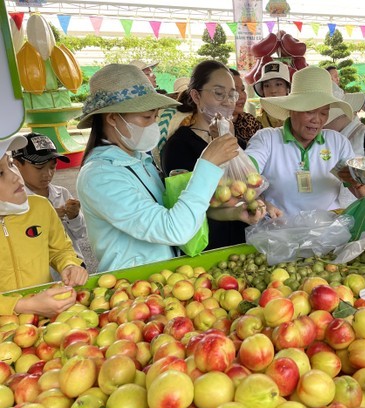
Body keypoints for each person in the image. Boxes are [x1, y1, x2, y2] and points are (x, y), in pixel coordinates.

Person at [75, 63, 240, 271]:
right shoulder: (100, 176)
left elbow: (175, 211)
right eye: (146, 117)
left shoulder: (140, 161)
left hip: (164, 280)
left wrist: (233, 214)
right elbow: (174, 229)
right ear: (112, 118)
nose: (153, 124)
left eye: (155, 116)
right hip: (132, 288)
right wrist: (207, 164)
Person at [160, 60, 267, 250]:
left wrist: (261, 205)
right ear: (196, 96)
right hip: (206, 248)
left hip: (245, 244)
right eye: (219, 93)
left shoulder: (238, 143)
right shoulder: (178, 146)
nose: (227, 101)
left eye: (232, 95)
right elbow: (187, 203)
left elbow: (247, 189)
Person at [245, 66, 365, 216]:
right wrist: (261, 201)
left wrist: (357, 181)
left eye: (324, 112)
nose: (317, 120)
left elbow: (360, 188)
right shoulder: (267, 139)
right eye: (309, 111)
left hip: (327, 231)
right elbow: (244, 172)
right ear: (292, 110)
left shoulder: (337, 142)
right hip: (279, 228)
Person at [0, 135, 88, 317]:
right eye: (0, 173)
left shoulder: (40, 207)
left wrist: (69, 265)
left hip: (44, 319)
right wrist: (21, 305)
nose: (15, 177)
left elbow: (60, 250)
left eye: (10, 165)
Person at [12, 132, 87, 263]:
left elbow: (80, 234)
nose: (47, 174)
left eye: (53, 167)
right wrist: (45, 219)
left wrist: (74, 216)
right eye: (39, 167)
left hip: (72, 266)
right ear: (17, 164)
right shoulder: (13, 202)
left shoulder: (62, 193)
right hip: (39, 273)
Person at [230, 68, 263, 149]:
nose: (241, 96)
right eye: (234, 90)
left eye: (242, 89)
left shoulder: (250, 121)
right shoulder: (210, 126)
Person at [253, 61, 291, 128]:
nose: (273, 91)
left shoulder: (298, 117)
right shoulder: (257, 123)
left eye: (278, 84)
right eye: (267, 86)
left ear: (287, 88)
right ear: (263, 91)